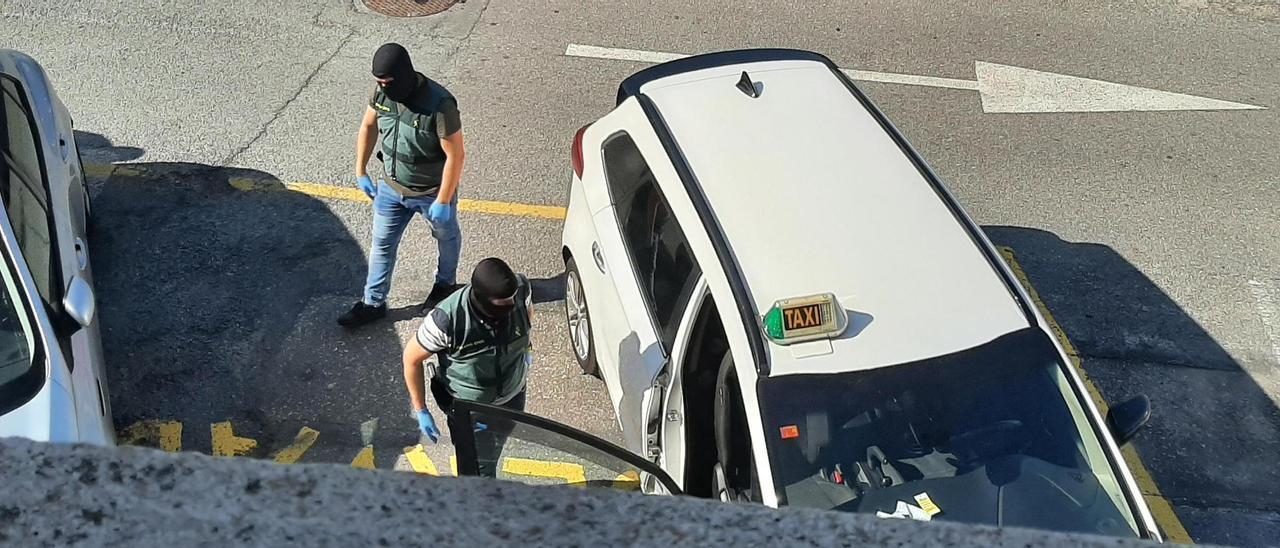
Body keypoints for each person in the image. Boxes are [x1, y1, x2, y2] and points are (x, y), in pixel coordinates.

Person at [339, 42, 465, 327]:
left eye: (388, 81)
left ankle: (445, 285)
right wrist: (361, 170)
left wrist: (443, 200)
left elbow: (455, 155)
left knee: (445, 238)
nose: (383, 87)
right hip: (391, 189)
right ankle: (373, 302)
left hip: (431, 193)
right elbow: (368, 126)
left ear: (404, 75)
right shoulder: (382, 95)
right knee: (382, 244)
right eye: (379, 82)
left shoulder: (440, 105)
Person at [402, 258, 533, 476]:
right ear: (483, 300)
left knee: (497, 446)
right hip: (472, 411)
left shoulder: (521, 289)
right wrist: (421, 409)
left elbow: (527, 318)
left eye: (512, 298)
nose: (511, 304)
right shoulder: (446, 320)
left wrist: (526, 353)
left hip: (513, 396)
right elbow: (411, 358)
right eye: (503, 302)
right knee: (479, 471)